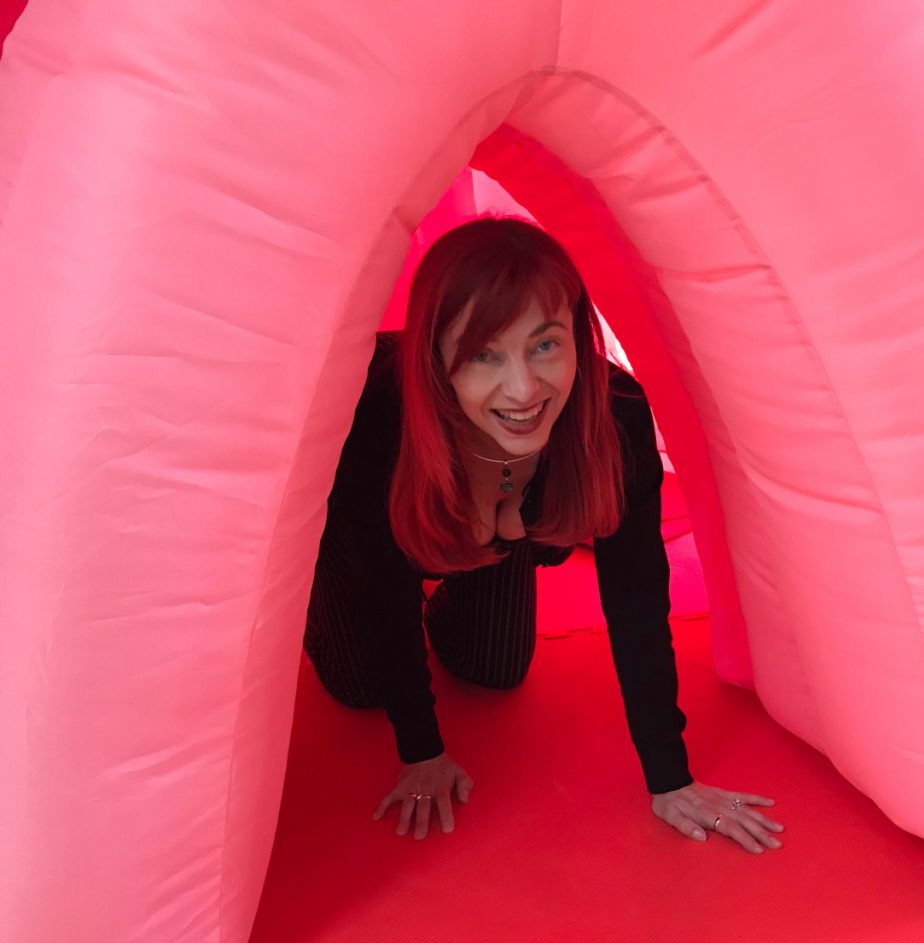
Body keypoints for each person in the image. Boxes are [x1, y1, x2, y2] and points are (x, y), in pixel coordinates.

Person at [304, 217, 784, 855]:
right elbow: (380, 583)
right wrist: (422, 749)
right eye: (483, 354)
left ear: (579, 339)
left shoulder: (616, 421)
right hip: (367, 545)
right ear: (435, 356)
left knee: (494, 670)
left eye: (544, 345)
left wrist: (670, 780)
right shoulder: (377, 413)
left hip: (491, 533)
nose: (524, 389)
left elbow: (637, 599)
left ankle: (458, 574)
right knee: (359, 687)